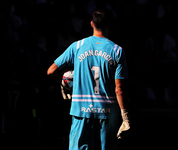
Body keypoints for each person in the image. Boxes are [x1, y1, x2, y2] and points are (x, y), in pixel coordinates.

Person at [47, 9, 131, 150]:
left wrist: (63, 84)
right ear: (109, 25)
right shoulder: (117, 51)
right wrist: (125, 116)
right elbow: (119, 89)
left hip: (81, 110)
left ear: (91, 24)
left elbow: (50, 71)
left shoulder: (77, 46)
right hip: (107, 113)